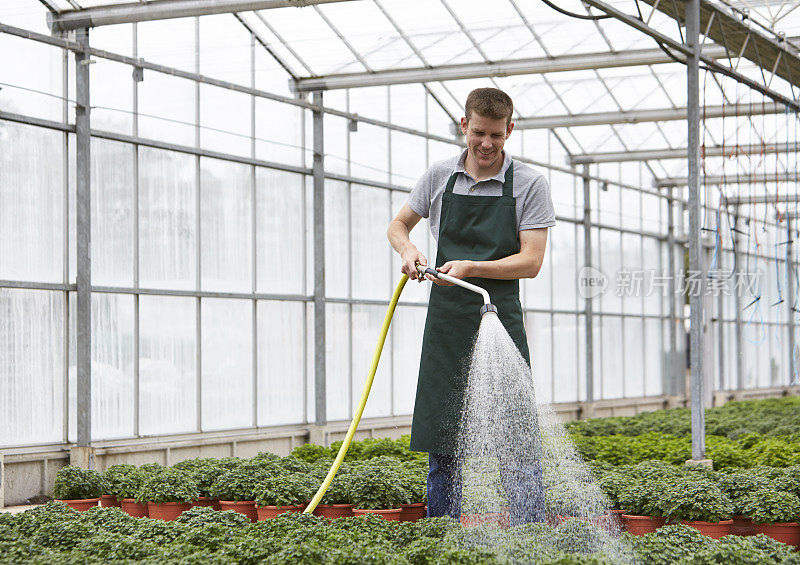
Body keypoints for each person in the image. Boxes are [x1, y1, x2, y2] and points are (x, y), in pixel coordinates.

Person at [386, 87, 555, 524]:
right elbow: (398, 225)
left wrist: (472, 267)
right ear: (464, 126)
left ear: (509, 131)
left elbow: (531, 261)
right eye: (478, 132)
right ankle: (442, 532)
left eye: (496, 135)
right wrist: (408, 251)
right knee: (443, 433)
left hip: (498, 316)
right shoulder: (439, 176)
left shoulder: (530, 184)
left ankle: (529, 532)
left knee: (515, 433)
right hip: (447, 320)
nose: (486, 143)